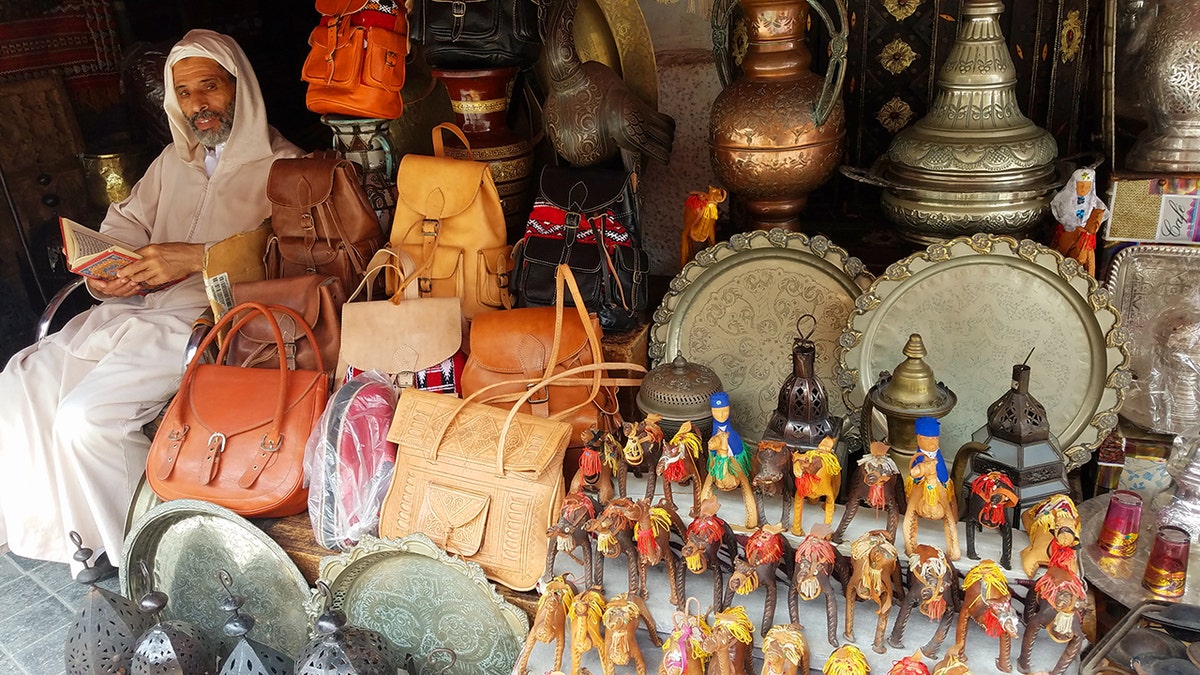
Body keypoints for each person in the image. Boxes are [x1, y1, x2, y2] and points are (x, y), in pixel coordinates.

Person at [0, 29, 303, 575]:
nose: (197, 106)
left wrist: (194, 259)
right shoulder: (170, 163)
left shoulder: (285, 166)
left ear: (241, 89)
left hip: (205, 320)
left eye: (209, 87)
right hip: (128, 312)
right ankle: (76, 539)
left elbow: (283, 253)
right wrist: (106, 275)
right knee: (20, 382)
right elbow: (124, 225)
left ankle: (149, 559)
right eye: (184, 93)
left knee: (85, 418)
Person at [1050, 167, 1110, 277]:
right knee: (1062, 257)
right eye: (1081, 185)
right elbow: (1057, 208)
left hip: (1085, 237)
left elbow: (1102, 213)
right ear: (1074, 185)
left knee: (1087, 261)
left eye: (1087, 186)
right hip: (1069, 234)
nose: (1084, 189)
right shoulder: (1066, 200)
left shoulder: (1094, 202)